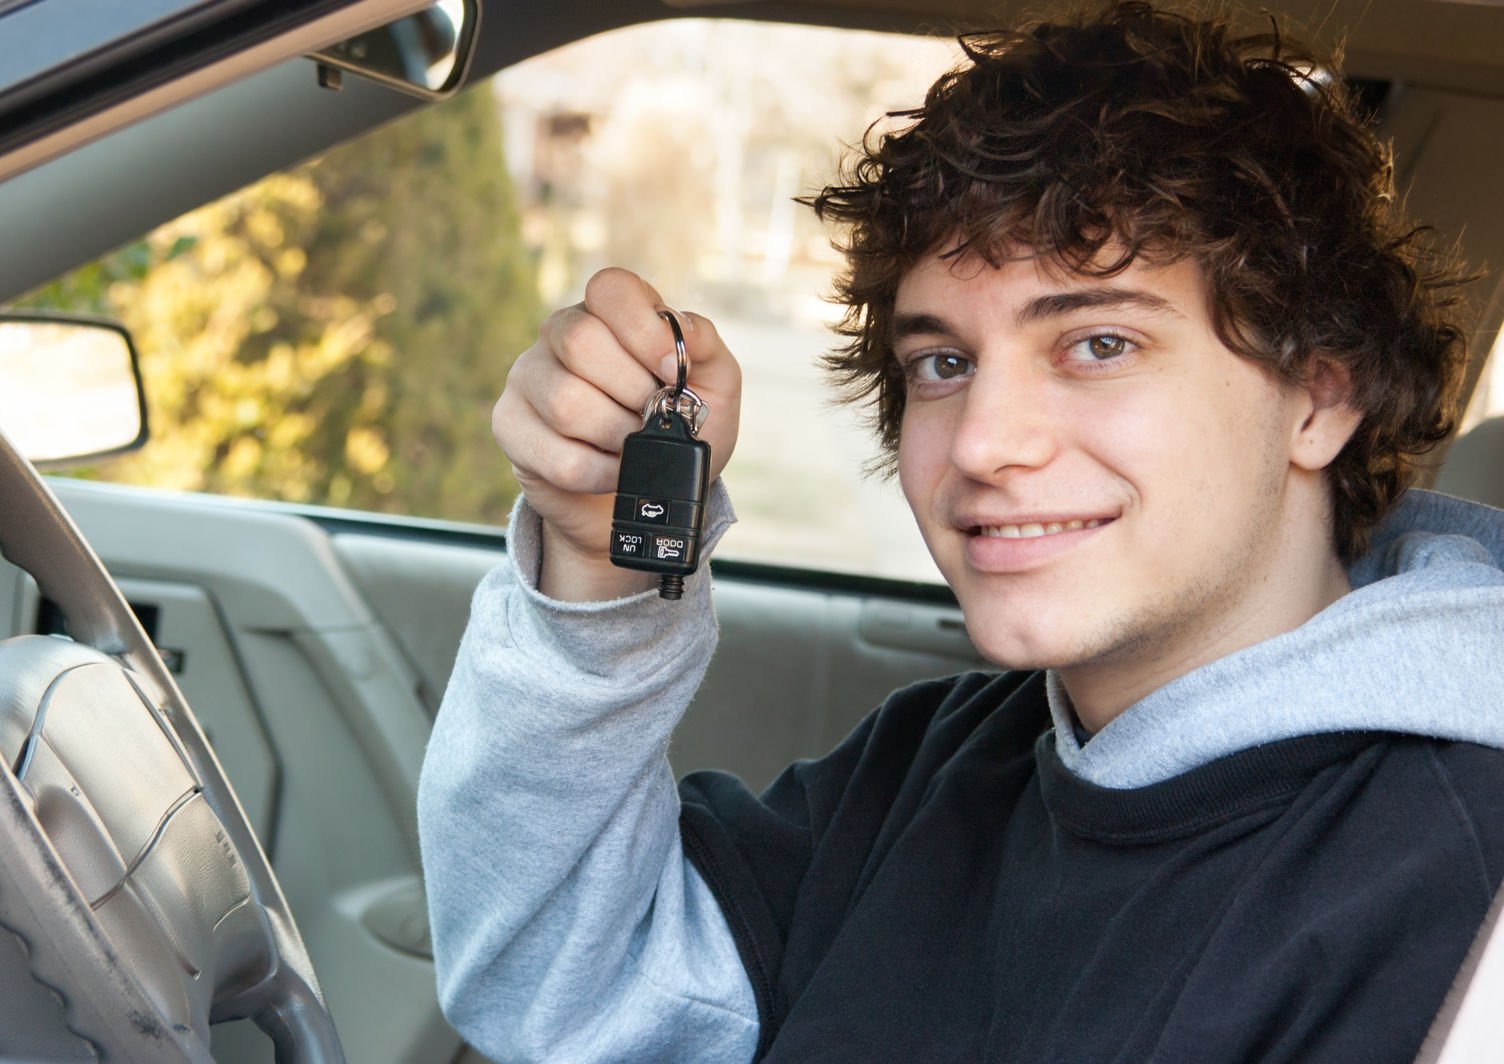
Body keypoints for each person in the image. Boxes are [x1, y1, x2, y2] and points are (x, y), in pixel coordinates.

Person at [419, 2, 1504, 1061]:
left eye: (1097, 344)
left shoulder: (1459, 887)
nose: (982, 442)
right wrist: (597, 575)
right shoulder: (936, 758)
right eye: (943, 362)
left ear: (1318, 396)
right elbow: (565, 988)